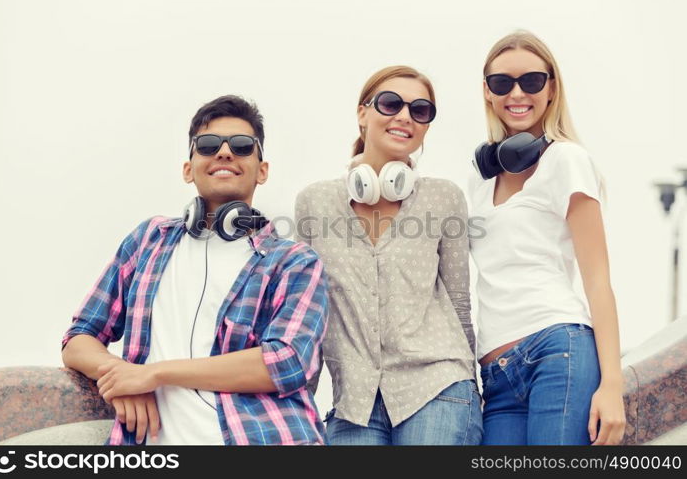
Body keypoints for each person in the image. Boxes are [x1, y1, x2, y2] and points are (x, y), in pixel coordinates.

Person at [62, 95, 328, 445]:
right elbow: (79, 338)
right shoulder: (148, 241)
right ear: (188, 169)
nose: (224, 153)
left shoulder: (294, 262)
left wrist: (153, 375)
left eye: (243, 146)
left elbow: (286, 362)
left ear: (262, 171)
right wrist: (120, 377)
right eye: (207, 145)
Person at [295, 66, 482, 445]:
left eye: (420, 110)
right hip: (353, 405)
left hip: (439, 387)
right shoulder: (314, 203)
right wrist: (299, 404)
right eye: (390, 103)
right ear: (362, 113)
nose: (404, 116)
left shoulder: (443, 198)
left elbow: (459, 301)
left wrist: (474, 392)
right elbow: (307, 314)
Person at [469, 30, 626, 445]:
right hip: (496, 375)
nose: (517, 93)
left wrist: (612, 384)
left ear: (552, 87)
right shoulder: (479, 179)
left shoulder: (566, 159)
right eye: (502, 83)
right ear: (487, 92)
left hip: (558, 352)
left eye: (532, 81)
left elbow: (597, 279)